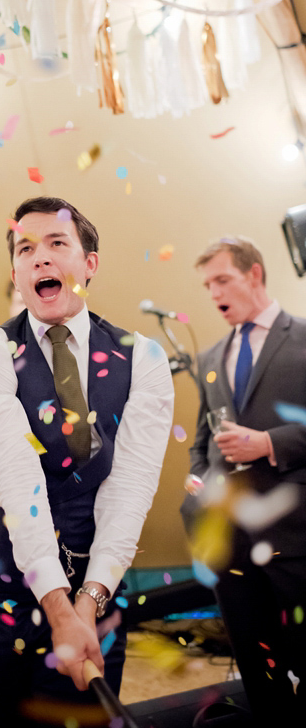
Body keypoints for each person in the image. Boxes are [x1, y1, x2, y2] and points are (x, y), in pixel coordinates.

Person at [0, 197, 173, 725]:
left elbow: (130, 488)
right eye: (26, 248)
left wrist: (87, 605)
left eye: (57, 244)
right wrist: (57, 608)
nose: (40, 258)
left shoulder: (143, 357)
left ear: (89, 264)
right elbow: (17, 478)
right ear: (16, 273)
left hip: (93, 591)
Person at [182, 237, 306, 720]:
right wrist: (197, 486)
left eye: (222, 280)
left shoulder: (302, 338)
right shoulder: (210, 357)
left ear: (254, 275)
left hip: (293, 535)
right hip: (227, 539)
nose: (213, 293)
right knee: (256, 662)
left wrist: (270, 442)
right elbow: (200, 442)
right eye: (207, 284)